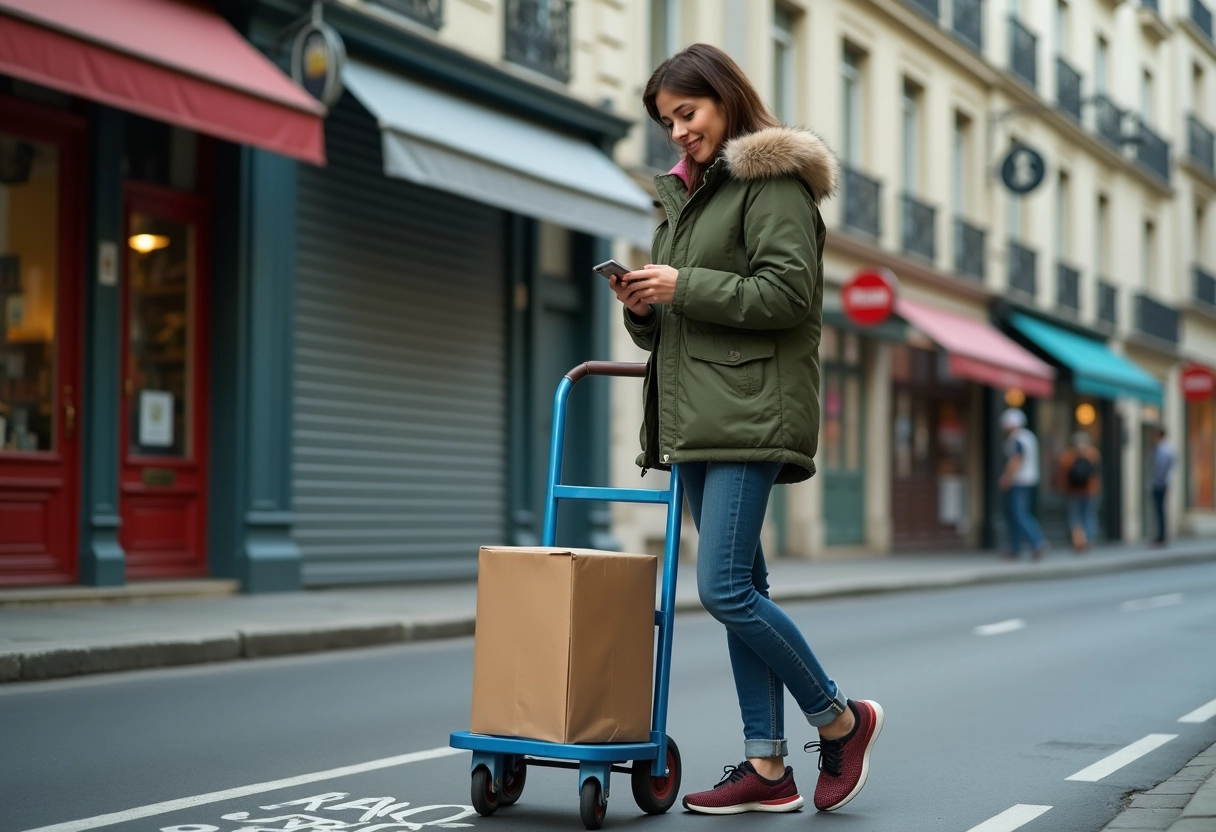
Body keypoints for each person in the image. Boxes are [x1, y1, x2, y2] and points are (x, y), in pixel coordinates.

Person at [606, 43, 882, 816]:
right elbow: (679, 327)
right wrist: (645, 308)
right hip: (698, 415)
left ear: (725, 99)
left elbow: (789, 294)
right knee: (745, 588)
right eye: (666, 122)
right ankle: (767, 768)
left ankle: (838, 718)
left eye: (686, 114)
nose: (676, 133)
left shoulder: (773, 183)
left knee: (724, 589)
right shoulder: (685, 200)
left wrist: (683, 285)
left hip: (750, 410)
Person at [999, 408, 1047, 561]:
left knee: (1019, 514)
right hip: (1029, 480)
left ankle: (1037, 541)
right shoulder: (1029, 436)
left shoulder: (1017, 438)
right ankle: (1015, 549)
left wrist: (1007, 477)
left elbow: (1017, 459)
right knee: (1016, 514)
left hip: (1020, 481)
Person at [1057, 431, 1100, 552]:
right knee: (1088, 516)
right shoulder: (1093, 454)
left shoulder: (1068, 456)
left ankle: (1079, 541)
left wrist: (1062, 487)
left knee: (1075, 518)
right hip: (1089, 491)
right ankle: (1088, 540)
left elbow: (1063, 474)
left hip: (1073, 492)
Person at [1150, 427, 1176, 545]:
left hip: (1160, 483)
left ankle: (1161, 536)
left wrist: (1159, 480)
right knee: (1161, 510)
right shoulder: (1168, 448)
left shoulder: (1162, 449)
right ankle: (1161, 535)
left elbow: (1161, 467)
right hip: (1163, 482)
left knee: (1160, 510)